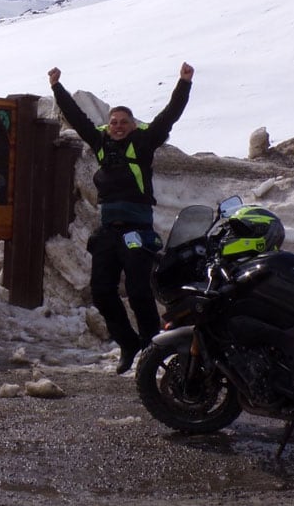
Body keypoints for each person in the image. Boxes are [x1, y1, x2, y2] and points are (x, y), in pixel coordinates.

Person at [48, 62, 194, 373]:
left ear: (131, 125)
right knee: (101, 292)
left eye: (123, 122)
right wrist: (57, 87)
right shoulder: (101, 143)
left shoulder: (143, 142)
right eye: (113, 121)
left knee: (140, 292)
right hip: (107, 233)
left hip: (137, 232)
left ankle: (155, 349)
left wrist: (184, 83)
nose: (117, 126)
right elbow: (76, 117)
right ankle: (129, 344)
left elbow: (170, 115)